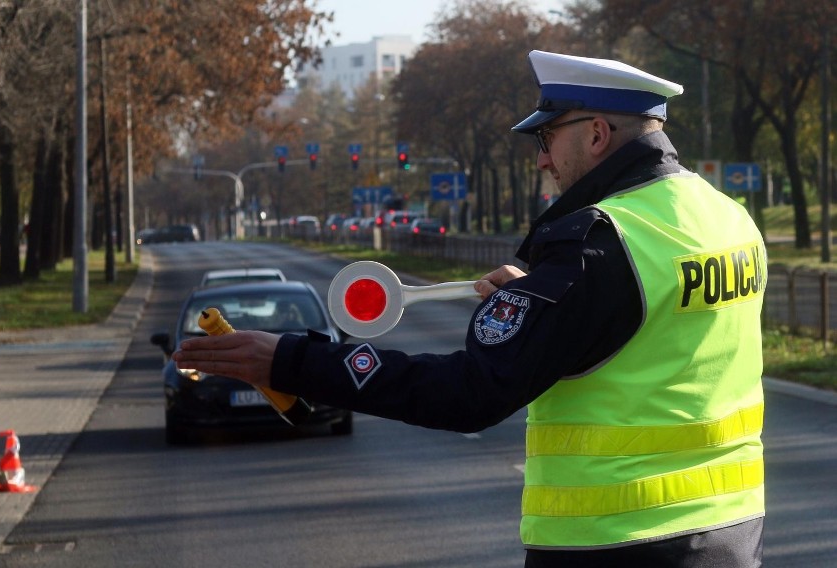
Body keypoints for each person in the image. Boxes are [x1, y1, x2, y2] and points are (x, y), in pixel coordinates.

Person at [174, 51, 767, 567]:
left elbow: (468, 394)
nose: (541, 160)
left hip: (613, 545)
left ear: (595, 135)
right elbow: (648, 334)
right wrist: (542, 301)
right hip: (730, 536)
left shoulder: (597, 243)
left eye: (546, 138)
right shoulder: (724, 217)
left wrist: (293, 361)